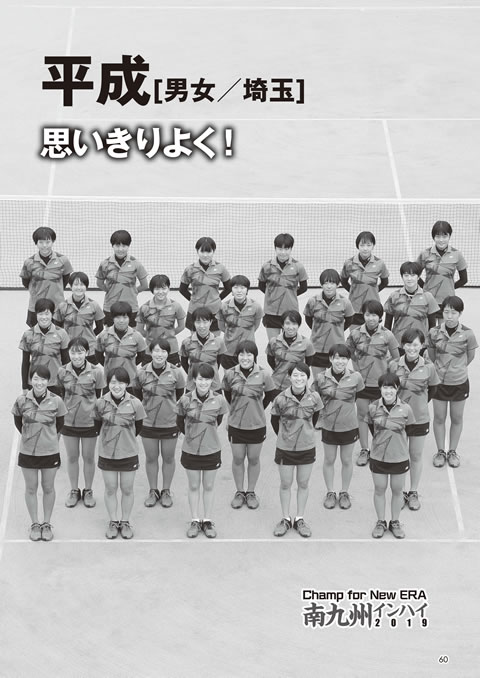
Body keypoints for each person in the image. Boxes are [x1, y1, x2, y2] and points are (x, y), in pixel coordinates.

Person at [12, 365, 67, 541]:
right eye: (35, 378)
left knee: (48, 487)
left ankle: (46, 523)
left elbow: (60, 423)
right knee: (31, 488)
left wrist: (47, 437)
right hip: (28, 452)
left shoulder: (57, 401)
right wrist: (30, 437)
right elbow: (18, 422)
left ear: (48, 381)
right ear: (30, 380)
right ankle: (35, 523)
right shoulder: (21, 401)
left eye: (43, 379)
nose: (39, 383)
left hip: (50, 451)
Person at [176, 363, 229, 539]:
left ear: (212, 381)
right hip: (190, 450)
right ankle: (194, 520)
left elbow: (218, 420)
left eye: (207, 379)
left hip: (211, 449)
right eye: (200, 379)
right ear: (194, 380)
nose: (203, 383)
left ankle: (207, 520)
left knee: (208, 486)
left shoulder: (219, 400)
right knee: (193, 486)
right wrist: (192, 436)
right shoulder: (185, 400)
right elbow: (180, 422)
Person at [222, 340, 277, 510]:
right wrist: (236, 409)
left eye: (249, 354)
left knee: (253, 459)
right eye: (241, 354)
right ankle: (239, 492)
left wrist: (257, 408)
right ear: (237, 356)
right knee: (238, 458)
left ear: (255, 356)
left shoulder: (264, 374)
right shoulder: (230, 374)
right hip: (236, 425)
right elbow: (227, 393)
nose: (245, 358)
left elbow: (269, 395)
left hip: (256, 425)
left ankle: (251, 492)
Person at [388, 329, 439, 510]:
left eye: (415, 344)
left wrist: (419, 404)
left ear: (422, 345)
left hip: (419, 418)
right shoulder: (393, 365)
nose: (411, 348)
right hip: (398, 419)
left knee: (415, 455)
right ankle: (400, 492)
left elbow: (432, 390)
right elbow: (388, 391)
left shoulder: (429, 367)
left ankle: (413, 492)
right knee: (400, 456)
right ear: (402, 345)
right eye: (408, 344)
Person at [270, 363, 323, 538]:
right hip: (285, 448)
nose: (299, 379)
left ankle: (299, 518)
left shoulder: (314, 397)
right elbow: (274, 421)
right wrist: (286, 436)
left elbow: (314, 418)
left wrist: (304, 434)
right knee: (285, 484)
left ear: (308, 377)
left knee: (303, 483)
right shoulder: (280, 399)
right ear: (289, 377)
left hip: (306, 447)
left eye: (302, 375)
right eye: (295, 375)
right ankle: (285, 518)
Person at [93, 367, 146, 539]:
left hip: (128, 453)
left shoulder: (136, 403)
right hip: (107, 453)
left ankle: (125, 521)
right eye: (113, 382)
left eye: (121, 383)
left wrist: (125, 440)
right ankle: (113, 521)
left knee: (127, 489)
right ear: (108, 383)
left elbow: (138, 427)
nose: (117, 386)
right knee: (110, 489)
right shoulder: (100, 403)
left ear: (127, 384)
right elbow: (97, 426)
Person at [346, 300, 399, 466]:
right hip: (362, 384)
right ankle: (365, 450)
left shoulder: (388, 335)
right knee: (362, 416)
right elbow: (348, 353)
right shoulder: (355, 334)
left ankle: (380, 447)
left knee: (380, 417)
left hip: (380, 385)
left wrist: (386, 372)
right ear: (363, 315)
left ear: (380, 317)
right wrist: (357, 367)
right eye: (368, 314)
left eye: (374, 315)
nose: (371, 318)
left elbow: (396, 358)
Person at [427, 296, 477, 468]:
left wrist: (457, 368)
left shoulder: (468, 334)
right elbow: (432, 355)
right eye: (446, 312)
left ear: (460, 313)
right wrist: (442, 369)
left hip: (459, 382)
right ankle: (441, 451)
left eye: (453, 312)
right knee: (439, 418)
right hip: (439, 383)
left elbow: (470, 356)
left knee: (456, 418)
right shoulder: (434, 332)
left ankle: (453, 451)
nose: (449, 316)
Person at [57, 337, 105, 509]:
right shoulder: (62, 371)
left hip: (89, 422)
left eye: (80, 352)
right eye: (73, 352)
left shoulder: (97, 372)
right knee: (72, 457)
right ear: (68, 353)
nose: (76, 356)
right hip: (69, 422)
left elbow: (98, 397)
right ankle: (74, 490)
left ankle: (88, 490)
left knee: (88, 457)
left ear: (87, 352)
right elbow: (61, 395)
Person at [137, 339, 186, 508]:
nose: (159, 354)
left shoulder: (176, 373)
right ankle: (153, 491)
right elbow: (137, 397)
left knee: (168, 458)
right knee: (151, 458)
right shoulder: (142, 373)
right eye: (156, 351)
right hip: (148, 423)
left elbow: (179, 396)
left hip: (169, 423)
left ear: (168, 353)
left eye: (163, 351)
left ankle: (166, 491)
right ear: (150, 352)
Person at [315, 344, 364, 510]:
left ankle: (344, 492)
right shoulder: (321, 378)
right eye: (337, 358)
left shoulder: (356, 377)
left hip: (349, 425)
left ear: (348, 360)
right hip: (329, 426)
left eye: (344, 358)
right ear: (330, 359)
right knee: (329, 460)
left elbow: (357, 395)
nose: (340, 361)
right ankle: (330, 492)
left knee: (347, 460)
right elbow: (315, 398)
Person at [367, 373, 415, 539]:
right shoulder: (373, 408)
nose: (388, 391)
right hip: (378, 456)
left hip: (399, 457)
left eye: (392, 388)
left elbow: (409, 430)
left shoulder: (406, 409)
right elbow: (371, 427)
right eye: (385, 387)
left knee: (397, 490)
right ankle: (381, 522)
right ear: (380, 389)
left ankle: (395, 522)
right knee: (379, 489)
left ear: (397, 389)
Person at [303, 269, 354, 378]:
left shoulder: (345, 302)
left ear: (338, 285)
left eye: (332, 283)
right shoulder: (313, 301)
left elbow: (349, 320)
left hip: (337, 349)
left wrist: (337, 330)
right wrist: (320, 330)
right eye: (326, 283)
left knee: (335, 383)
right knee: (318, 382)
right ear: (321, 284)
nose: (329, 286)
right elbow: (308, 319)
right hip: (316, 349)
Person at [258, 233, 308, 340]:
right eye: (280, 249)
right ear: (275, 248)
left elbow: (304, 288)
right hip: (271, 312)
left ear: (291, 249)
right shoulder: (266, 266)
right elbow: (261, 286)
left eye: (286, 249)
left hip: (290, 311)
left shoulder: (298, 266)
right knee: (273, 344)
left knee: (290, 345)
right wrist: (273, 295)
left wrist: (289, 294)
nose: (283, 252)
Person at [20, 226, 73, 327]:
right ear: (36, 243)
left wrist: (55, 290)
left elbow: (66, 279)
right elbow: (25, 282)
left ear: (53, 242)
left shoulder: (63, 260)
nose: (44, 246)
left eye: (48, 242)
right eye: (41, 242)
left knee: (58, 333)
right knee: (36, 333)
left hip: (58, 306)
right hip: (35, 305)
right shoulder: (29, 262)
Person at [96, 229, 149, 327]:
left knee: (131, 334)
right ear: (112, 246)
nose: (120, 249)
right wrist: (111, 290)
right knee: (110, 334)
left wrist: (132, 291)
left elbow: (144, 285)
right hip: (110, 307)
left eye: (124, 246)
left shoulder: (136, 263)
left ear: (128, 246)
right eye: (117, 245)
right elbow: (99, 283)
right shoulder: (105, 264)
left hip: (131, 307)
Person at [179, 236, 231, 334]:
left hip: (215, 311)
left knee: (215, 341)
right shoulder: (190, 269)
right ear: (197, 251)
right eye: (202, 252)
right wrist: (194, 300)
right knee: (195, 341)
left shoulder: (221, 268)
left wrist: (216, 299)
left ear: (213, 251)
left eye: (208, 251)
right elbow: (182, 289)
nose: (205, 255)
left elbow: (229, 288)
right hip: (195, 310)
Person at [19, 298, 69, 397]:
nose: (44, 317)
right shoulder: (28, 334)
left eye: (47, 314)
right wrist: (24, 386)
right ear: (36, 315)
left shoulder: (61, 333)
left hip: (56, 383)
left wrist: (67, 383)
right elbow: (25, 363)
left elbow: (66, 361)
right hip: (35, 383)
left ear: (52, 314)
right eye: (40, 314)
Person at [416, 221, 467, 318]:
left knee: (443, 327)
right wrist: (426, 287)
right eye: (438, 236)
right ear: (433, 237)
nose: (441, 240)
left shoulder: (457, 254)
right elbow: (414, 274)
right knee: (429, 327)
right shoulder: (425, 254)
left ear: (449, 236)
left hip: (447, 302)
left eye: (444, 236)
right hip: (428, 300)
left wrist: (450, 287)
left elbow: (464, 279)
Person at [384, 261, 439, 352]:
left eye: (413, 275)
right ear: (402, 277)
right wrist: (388, 344)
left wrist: (430, 345)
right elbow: (387, 325)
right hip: (398, 344)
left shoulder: (428, 296)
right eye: (406, 275)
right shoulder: (394, 296)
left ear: (418, 277)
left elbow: (432, 326)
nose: (409, 279)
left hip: (420, 345)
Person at [340, 230, 389, 327]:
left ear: (373, 246)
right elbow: (343, 281)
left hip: (373, 306)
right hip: (355, 307)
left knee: (374, 335)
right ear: (357, 246)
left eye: (368, 245)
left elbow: (385, 282)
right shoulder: (349, 263)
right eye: (362, 245)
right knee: (355, 335)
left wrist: (373, 291)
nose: (365, 248)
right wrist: (354, 292)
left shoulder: (380, 263)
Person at [95, 301, 147, 392]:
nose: (121, 321)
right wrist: (109, 365)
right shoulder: (103, 336)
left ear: (129, 318)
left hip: (131, 383)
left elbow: (141, 355)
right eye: (118, 317)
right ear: (112, 318)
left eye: (125, 317)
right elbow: (98, 355)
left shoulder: (137, 336)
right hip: (110, 382)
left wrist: (129, 363)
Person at [54, 271, 104, 363]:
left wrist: (88, 336)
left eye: (82, 285)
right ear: (70, 286)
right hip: (69, 349)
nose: (79, 288)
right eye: (76, 284)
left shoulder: (94, 305)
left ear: (86, 287)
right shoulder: (62, 306)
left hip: (90, 350)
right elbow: (57, 328)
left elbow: (100, 327)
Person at [136, 274, 186, 366]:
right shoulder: (144, 308)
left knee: (173, 373)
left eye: (164, 288)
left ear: (169, 289)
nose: (160, 292)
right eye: (157, 289)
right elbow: (139, 329)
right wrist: (151, 337)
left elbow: (181, 326)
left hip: (171, 349)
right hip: (150, 350)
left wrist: (169, 334)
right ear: (152, 290)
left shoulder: (176, 306)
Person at [216, 275, 263, 370]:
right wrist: (233, 333)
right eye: (236, 287)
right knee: (229, 377)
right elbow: (221, 327)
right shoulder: (224, 306)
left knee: (249, 377)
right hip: (229, 350)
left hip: (248, 350)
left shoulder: (256, 306)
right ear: (231, 290)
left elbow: (255, 326)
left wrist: (245, 332)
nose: (239, 291)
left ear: (247, 290)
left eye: (242, 288)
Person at [266, 310, 315, 396]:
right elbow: (270, 360)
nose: (291, 327)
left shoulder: (306, 343)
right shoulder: (274, 342)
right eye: (287, 323)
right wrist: (280, 370)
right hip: (277, 384)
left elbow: (308, 363)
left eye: (294, 324)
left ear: (298, 325)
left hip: (297, 386)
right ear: (282, 325)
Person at [180, 307, 226, 393]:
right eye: (198, 322)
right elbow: (184, 363)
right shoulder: (186, 342)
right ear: (193, 323)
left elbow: (218, 362)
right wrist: (194, 374)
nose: (202, 326)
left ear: (211, 322)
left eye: (205, 322)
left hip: (214, 385)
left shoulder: (219, 342)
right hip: (192, 386)